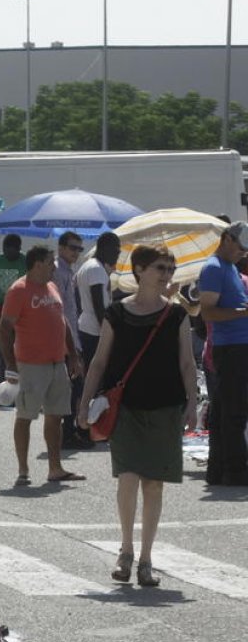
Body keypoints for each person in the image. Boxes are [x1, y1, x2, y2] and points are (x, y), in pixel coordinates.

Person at [78, 245, 197, 587]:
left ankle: (146, 558)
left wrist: (192, 402)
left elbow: (187, 363)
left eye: (171, 269)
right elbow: (99, 362)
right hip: (126, 408)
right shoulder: (116, 313)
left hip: (165, 408)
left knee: (154, 484)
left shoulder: (176, 315)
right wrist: (84, 402)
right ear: (140, 270)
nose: (167, 275)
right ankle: (126, 551)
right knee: (128, 478)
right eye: (161, 268)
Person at [0, 245, 86, 485]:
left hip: (57, 362)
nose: (54, 267)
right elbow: (5, 328)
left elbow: (63, 321)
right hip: (30, 364)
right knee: (25, 416)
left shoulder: (52, 286)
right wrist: (10, 364)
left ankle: (55, 468)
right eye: (50, 262)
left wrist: (73, 355)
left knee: (55, 416)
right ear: (37, 264)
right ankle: (23, 470)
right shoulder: (19, 290)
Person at [198, 221, 248, 486]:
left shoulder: (228, 267)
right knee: (234, 412)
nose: (243, 252)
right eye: (241, 246)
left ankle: (218, 470)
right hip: (230, 348)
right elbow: (207, 312)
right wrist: (243, 313)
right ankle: (236, 470)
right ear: (227, 239)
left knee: (222, 412)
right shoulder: (214, 268)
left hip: (236, 347)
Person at [53, 232, 89, 449]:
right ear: (61, 247)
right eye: (72, 248)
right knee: (72, 388)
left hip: (72, 335)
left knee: (75, 387)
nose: (76, 252)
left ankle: (69, 430)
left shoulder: (68, 271)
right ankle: (66, 433)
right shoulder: (58, 271)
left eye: (79, 249)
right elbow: (60, 310)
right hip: (64, 339)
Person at [0, 234, 27, 381]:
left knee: (18, 347)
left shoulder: (25, 261)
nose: (6, 254)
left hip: (21, 311)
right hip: (3, 309)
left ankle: (18, 380)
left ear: (18, 249)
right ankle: (0, 380)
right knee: (1, 346)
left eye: (10, 251)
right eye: (4, 250)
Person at [77, 232, 121, 366]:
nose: (117, 255)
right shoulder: (96, 269)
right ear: (104, 248)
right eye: (116, 251)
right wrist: (106, 332)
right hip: (95, 331)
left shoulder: (88, 265)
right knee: (96, 371)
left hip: (86, 325)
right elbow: (98, 304)